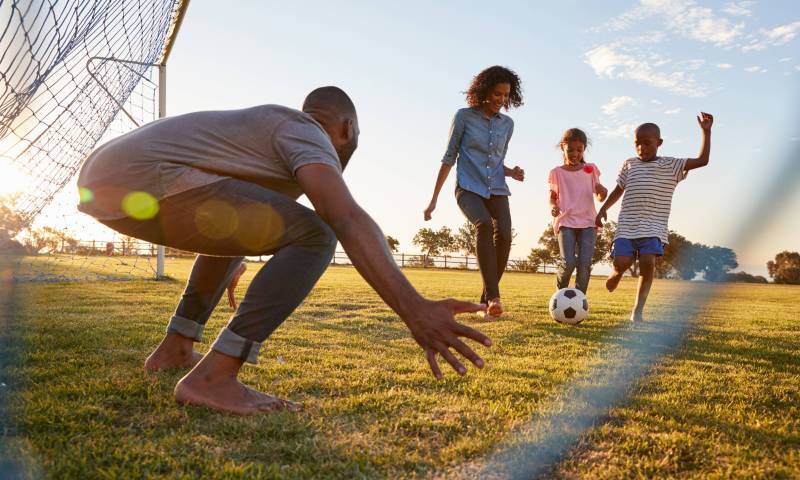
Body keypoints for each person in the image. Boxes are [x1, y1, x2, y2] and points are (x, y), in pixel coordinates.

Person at [76, 86, 492, 415]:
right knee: (317, 234)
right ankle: (212, 379)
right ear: (346, 128)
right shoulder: (304, 129)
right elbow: (343, 215)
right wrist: (414, 309)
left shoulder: (271, 140)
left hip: (108, 182)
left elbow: (230, 216)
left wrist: (233, 252)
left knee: (254, 228)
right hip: (143, 176)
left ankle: (174, 350)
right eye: (355, 137)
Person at [423, 66, 525, 321]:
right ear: (483, 92)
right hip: (468, 188)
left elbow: (494, 161)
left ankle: (486, 300)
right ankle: (494, 297)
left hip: (497, 189)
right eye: (497, 94)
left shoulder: (507, 125)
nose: (501, 100)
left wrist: (511, 171)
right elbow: (449, 157)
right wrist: (434, 199)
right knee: (483, 225)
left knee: (504, 234)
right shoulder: (464, 117)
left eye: (505, 95)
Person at [596, 113, 714, 322]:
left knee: (648, 262)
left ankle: (638, 311)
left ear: (659, 143)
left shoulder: (671, 165)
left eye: (647, 143)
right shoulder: (629, 164)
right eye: (637, 144)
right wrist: (603, 208)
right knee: (622, 262)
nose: (642, 147)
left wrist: (706, 131)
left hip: (654, 226)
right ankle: (616, 273)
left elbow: (703, 161)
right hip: (627, 225)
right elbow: (618, 189)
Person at [548, 128, 607, 294]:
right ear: (563, 148)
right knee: (568, 263)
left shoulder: (590, 170)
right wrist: (553, 207)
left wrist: (603, 192)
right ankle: (560, 296)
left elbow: (600, 197)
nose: (575, 154)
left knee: (584, 263)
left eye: (579, 150)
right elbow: (552, 197)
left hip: (588, 222)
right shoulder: (557, 173)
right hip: (566, 222)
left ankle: (579, 299)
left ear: (584, 149)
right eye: (570, 150)